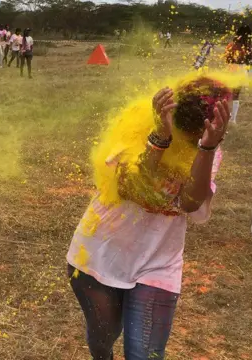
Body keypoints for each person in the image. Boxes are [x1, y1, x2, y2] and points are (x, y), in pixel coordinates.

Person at [67, 77, 232, 360]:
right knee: (102, 341)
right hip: (100, 255)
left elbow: (190, 203)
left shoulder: (207, 147)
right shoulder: (135, 125)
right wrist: (160, 137)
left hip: (158, 263)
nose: (191, 141)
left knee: (146, 355)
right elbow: (131, 187)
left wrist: (207, 148)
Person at [225, 24, 252, 124]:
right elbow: (250, 61)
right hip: (241, 70)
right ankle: (233, 119)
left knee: (226, 93)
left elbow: (227, 59)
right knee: (236, 95)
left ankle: (225, 116)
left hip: (231, 69)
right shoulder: (248, 46)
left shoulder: (232, 45)